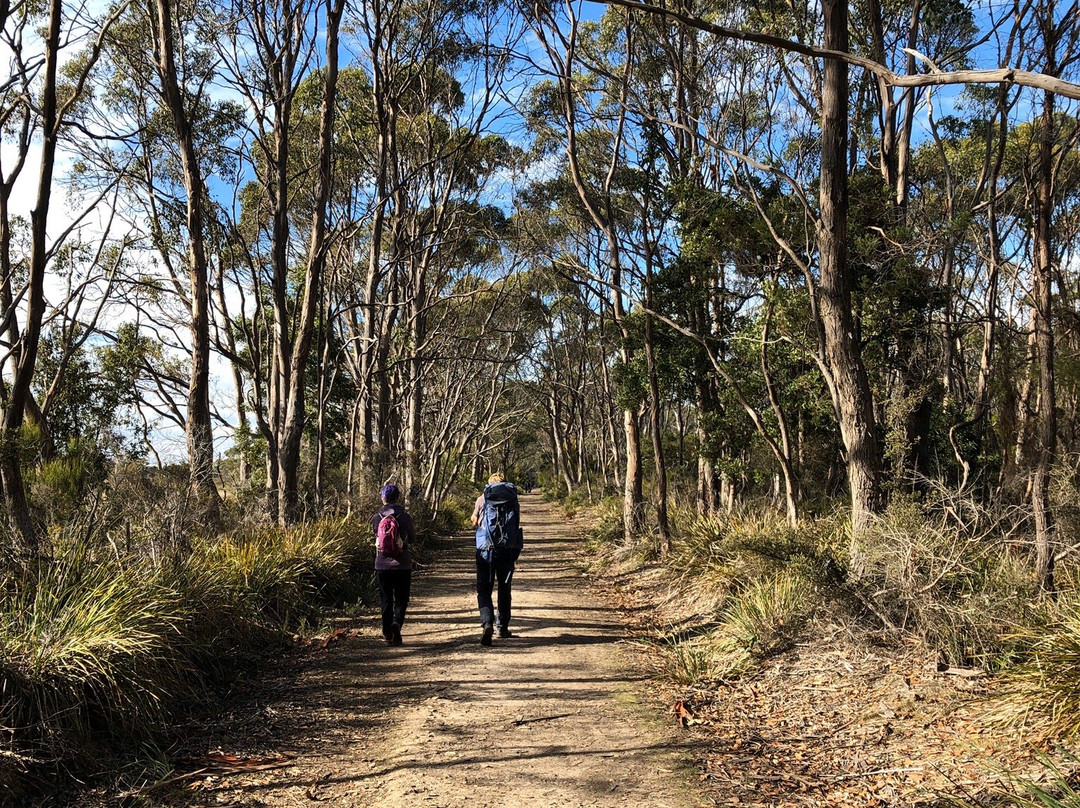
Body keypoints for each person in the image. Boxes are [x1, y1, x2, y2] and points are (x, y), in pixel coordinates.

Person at [472, 472, 523, 646]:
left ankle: (487, 623)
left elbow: (474, 521)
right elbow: (515, 524)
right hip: (507, 551)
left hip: (486, 550)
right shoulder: (512, 500)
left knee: (484, 589)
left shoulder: (482, 499)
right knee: (504, 588)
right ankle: (503, 627)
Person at [372, 483, 416, 646]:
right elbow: (412, 539)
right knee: (402, 598)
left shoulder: (377, 517)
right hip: (402, 564)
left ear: (383, 498)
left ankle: (388, 634)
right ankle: (397, 622)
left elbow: (376, 537)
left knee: (386, 599)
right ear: (397, 498)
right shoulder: (404, 516)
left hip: (382, 564)